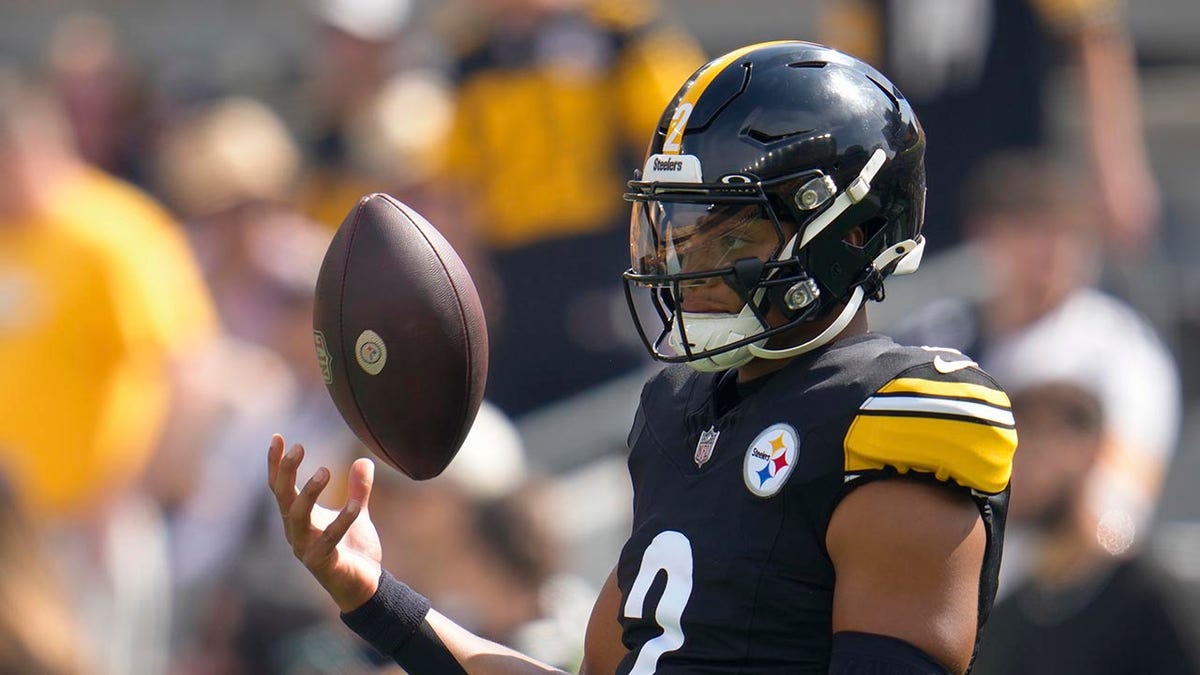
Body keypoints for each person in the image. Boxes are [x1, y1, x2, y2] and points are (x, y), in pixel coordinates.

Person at [268, 41, 1018, 673]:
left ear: (849, 234)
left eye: (729, 236)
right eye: (677, 230)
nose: (685, 264)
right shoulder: (675, 413)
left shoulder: (899, 413)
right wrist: (373, 595)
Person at [820, 0, 1160, 260]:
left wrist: (1117, 170)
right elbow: (852, 69)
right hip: (915, 180)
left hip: (1014, 182)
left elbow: (1091, 34)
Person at [971, 381, 1200, 674]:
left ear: (1091, 449)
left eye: (1036, 441)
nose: (1017, 466)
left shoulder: (1152, 599)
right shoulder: (1006, 620)